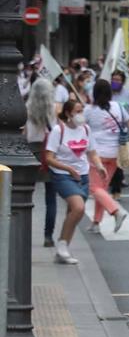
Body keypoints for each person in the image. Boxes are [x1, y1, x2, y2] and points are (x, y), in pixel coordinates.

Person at [41, 94, 92, 264]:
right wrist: (68, 168)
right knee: (79, 208)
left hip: (83, 175)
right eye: (78, 111)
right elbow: (49, 157)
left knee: (73, 212)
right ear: (69, 113)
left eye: (82, 110)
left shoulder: (85, 129)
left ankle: (63, 249)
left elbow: (91, 151)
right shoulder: (59, 130)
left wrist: (99, 166)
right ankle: (62, 246)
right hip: (63, 175)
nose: (81, 114)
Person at [82, 79, 129, 235]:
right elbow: (127, 121)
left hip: (97, 154)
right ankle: (96, 222)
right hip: (115, 153)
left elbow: (81, 125)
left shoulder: (89, 110)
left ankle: (116, 211)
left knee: (94, 188)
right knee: (101, 189)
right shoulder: (118, 107)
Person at [25, 78, 57, 246]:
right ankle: (48, 236)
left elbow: (24, 133)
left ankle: (23, 230)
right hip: (49, 151)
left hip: (31, 151)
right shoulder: (53, 109)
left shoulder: (27, 109)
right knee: (50, 196)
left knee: (24, 195)